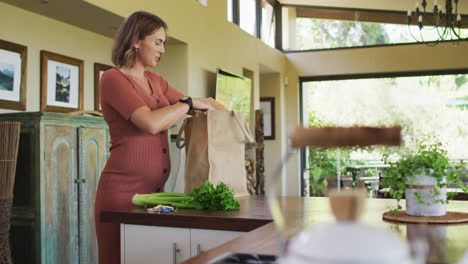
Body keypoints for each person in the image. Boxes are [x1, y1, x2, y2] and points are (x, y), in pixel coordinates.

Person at [94, 11, 215, 264]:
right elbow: (149, 122)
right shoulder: (113, 79)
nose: (162, 49)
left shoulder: (154, 79)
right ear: (136, 40)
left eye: (163, 43)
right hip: (121, 195)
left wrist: (220, 111)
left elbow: (193, 105)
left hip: (156, 195)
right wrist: (189, 103)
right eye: (157, 42)